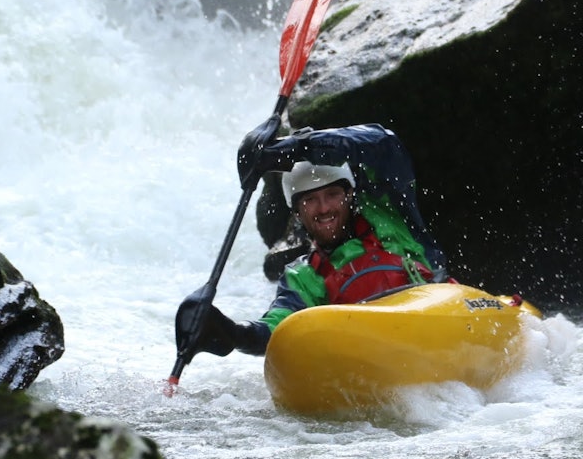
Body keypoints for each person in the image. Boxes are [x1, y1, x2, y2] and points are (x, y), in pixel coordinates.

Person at [187, 123, 449, 357]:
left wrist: (300, 147)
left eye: (333, 194)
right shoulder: (303, 276)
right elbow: (278, 327)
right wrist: (233, 333)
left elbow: (385, 143)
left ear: (350, 195)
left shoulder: (388, 213)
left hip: (441, 321)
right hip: (377, 353)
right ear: (297, 212)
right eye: (310, 200)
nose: (323, 208)